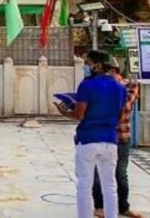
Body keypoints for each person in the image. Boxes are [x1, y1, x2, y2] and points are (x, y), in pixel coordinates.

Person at [56, 49, 126, 218]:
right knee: (110, 185)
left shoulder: (86, 85)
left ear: (98, 65)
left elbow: (79, 115)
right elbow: (120, 115)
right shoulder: (119, 87)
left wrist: (64, 112)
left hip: (88, 139)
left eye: (88, 63)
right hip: (110, 140)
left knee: (84, 185)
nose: (85, 66)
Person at [93, 60, 142, 218]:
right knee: (99, 174)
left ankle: (123, 206)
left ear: (114, 71)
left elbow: (123, 107)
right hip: (100, 137)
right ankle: (99, 206)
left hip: (121, 137)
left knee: (121, 173)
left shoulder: (129, 86)